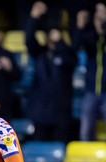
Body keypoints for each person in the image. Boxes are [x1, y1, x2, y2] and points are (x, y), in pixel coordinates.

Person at [25, 1, 77, 142]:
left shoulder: (67, 53)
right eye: (49, 34)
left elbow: (70, 60)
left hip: (60, 111)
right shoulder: (39, 53)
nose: (51, 37)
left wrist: (60, 42)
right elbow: (29, 39)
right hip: (40, 111)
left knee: (59, 147)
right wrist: (34, 17)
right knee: (39, 146)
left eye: (55, 34)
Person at [72, 2, 106, 141]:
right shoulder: (90, 36)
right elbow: (75, 45)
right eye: (97, 12)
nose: (100, 16)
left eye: (103, 12)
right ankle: (85, 161)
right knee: (85, 131)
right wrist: (80, 25)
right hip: (91, 90)